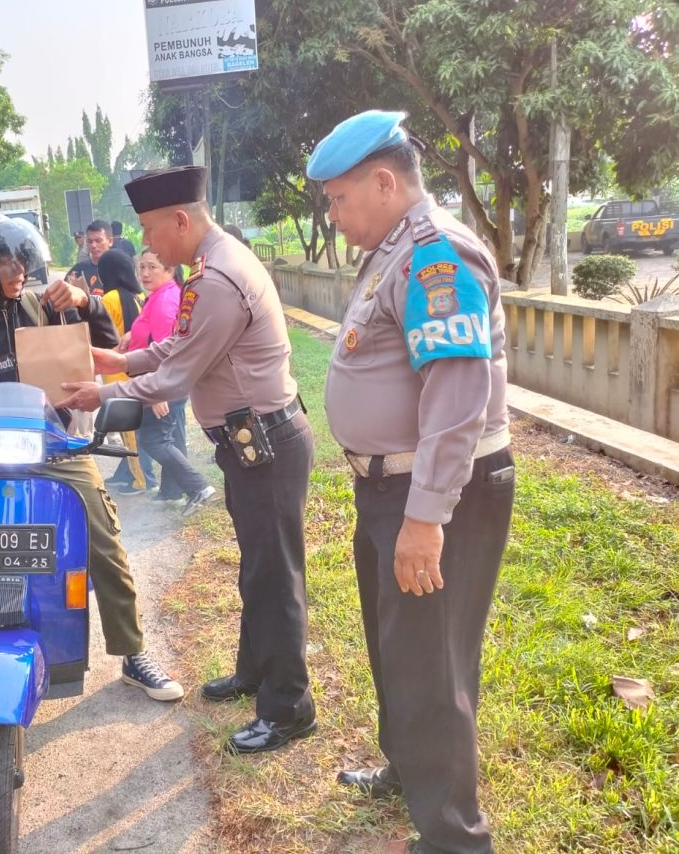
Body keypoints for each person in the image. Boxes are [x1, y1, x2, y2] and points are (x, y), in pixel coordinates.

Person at [306, 110, 514, 854]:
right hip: (388, 489)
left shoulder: (434, 255)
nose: (332, 214)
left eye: (338, 198)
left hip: (437, 491)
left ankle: (455, 837)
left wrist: (425, 518)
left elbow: (457, 400)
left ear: (385, 182)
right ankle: (410, 767)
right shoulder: (390, 251)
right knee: (398, 645)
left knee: (432, 658)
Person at [57, 167, 316, 755]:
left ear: (180, 219)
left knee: (274, 578)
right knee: (259, 566)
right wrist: (115, 359)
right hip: (252, 443)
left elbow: (178, 373)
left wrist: (104, 391)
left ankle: (288, 707)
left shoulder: (220, 276)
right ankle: (255, 672)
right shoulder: (212, 267)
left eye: (149, 230)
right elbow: (177, 345)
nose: (145, 245)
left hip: (265, 443)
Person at [0, 212, 184, 702]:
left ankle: (133, 653)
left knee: (104, 539)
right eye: (3, 265)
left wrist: (84, 300)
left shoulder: (47, 307)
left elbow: (106, 344)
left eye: (19, 262)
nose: (16, 273)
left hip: (56, 447)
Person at [119, 249, 212, 514]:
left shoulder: (164, 301)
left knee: (155, 440)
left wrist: (158, 393)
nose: (145, 273)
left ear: (170, 271)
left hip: (162, 384)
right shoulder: (158, 297)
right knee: (167, 436)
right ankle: (171, 490)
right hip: (162, 382)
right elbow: (151, 333)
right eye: (142, 267)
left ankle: (198, 487)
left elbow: (166, 350)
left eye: (152, 268)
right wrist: (130, 335)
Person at [96, 248, 155, 494]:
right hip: (137, 367)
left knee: (130, 434)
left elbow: (99, 333)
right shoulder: (138, 296)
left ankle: (143, 481)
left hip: (117, 371)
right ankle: (126, 472)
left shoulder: (109, 299)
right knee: (134, 431)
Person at [69, 220, 114, 294]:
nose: (93, 245)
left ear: (110, 241)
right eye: (89, 241)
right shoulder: (79, 270)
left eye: (98, 241)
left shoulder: (120, 269)